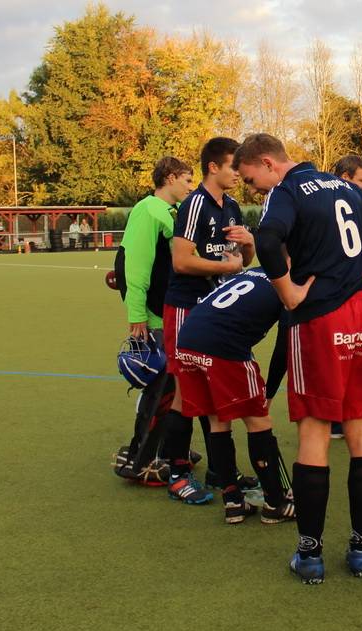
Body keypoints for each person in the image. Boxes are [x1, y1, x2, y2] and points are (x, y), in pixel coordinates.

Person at [233, 133, 362, 583]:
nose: (252, 189)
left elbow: (269, 239)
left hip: (319, 321)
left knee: (314, 432)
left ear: (268, 162)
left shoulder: (288, 190)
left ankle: (310, 554)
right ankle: (361, 550)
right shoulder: (345, 187)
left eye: (251, 178)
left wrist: (288, 291)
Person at [161, 137, 253, 506]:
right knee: (187, 393)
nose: (238, 173)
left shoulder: (231, 206)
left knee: (216, 392)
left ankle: (221, 471)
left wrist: (247, 244)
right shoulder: (196, 203)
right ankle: (177, 473)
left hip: (216, 309)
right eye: (233, 166)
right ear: (213, 167)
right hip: (186, 307)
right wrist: (227, 266)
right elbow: (181, 261)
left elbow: (243, 259)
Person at [174, 267, 296, 523]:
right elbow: (284, 347)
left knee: (217, 420)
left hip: (187, 338)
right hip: (223, 345)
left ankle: (233, 501)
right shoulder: (289, 282)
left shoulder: (254, 272)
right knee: (258, 421)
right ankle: (275, 502)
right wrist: (269, 394)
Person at [112, 156, 194, 484]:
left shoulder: (168, 212)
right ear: (170, 178)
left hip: (168, 311)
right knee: (161, 389)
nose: (190, 187)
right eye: (187, 180)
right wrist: (137, 317)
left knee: (174, 388)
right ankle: (142, 460)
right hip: (154, 316)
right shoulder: (149, 210)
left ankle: (169, 451)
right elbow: (136, 265)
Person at [329, 154, 362, 441]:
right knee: (335, 357)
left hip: (357, 291)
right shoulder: (326, 207)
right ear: (345, 178)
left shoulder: (358, 204)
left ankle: (348, 414)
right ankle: (331, 419)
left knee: (357, 356)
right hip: (332, 296)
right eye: (361, 181)